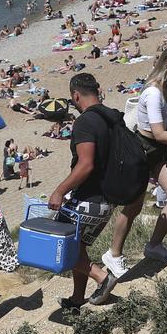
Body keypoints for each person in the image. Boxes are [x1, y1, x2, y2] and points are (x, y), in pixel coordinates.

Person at [104, 45, 167, 277]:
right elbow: (159, 133)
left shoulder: (164, 89)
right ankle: (113, 254)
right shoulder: (154, 93)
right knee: (133, 207)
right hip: (143, 151)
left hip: (158, 152)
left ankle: (153, 244)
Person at [48, 73, 119, 309]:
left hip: (89, 198)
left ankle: (102, 277)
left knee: (62, 244)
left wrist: (60, 190)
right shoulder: (111, 116)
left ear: (75, 95)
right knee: (79, 248)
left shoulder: (86, 122)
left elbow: (86, 164)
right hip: (108, 198)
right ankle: (78, 299)